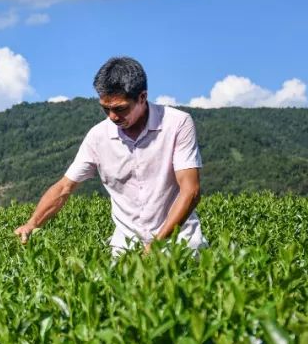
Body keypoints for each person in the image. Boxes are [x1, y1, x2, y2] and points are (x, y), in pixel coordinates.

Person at [14, 56, 206, 254]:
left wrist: (157, 243)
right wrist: (32, 223)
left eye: (120, 109)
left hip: (179, 243)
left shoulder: (177, 124)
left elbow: (190, 191)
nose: (113, 116)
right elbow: (64, 187)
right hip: (126, 247)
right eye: (106, 109)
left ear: (142, 97)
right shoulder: (98, 136)